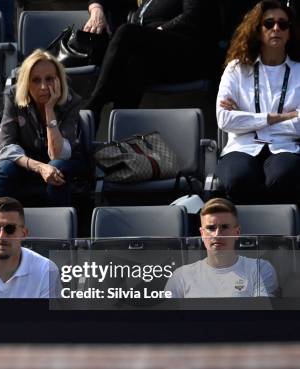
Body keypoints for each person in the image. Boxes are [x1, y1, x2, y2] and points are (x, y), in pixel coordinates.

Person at [216, 0, 300, 204]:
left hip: (284, 147)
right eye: (269, 23)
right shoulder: (236, 69)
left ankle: (280, 234)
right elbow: (225, 119)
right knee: (238, 178)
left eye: (283, 24)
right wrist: (284, 116)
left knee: (283, 176)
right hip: (242, 146)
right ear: (258, 29)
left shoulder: (299, 71)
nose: (276, 28)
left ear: (290, 32)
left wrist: (246, 119)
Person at [83, 0, 217, 122]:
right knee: (135, 64)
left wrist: (158, 31)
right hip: (151, 54)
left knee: (126, 32)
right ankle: (122, 137)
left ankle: (94, 106)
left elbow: (194, 16)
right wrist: (97, 9)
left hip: (187, 54)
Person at [0, 49, 86, 206]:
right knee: (4, 169)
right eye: (36, 80)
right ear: (26, 83)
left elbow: (58, 154)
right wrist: (39, 167)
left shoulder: (71, 101)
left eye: (49, 79)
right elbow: (5, 146)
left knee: (56, 167)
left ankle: (57, 227)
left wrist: (49, 109)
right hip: (26, 162)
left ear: (58, 80)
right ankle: (5, 224)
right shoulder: (13, 96)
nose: (43, 87)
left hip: (63, 163)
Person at [165, 198, 278, 298]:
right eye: (211, 228)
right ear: (202, 234)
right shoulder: (181, 276)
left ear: (237, 232)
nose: (217, 234)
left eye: (224, 227)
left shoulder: (259, 270)